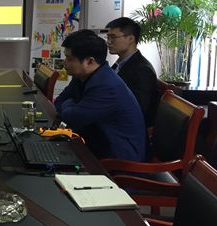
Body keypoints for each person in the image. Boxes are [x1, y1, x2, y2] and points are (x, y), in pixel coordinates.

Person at [54, 30, 147, 162]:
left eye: (70, 59)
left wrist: (70, 104)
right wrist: (71, 105)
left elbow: (72, 117)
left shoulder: (107, 86)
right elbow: (59, 102)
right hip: (96, 140)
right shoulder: (82, 76)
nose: (65, 63)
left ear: (90, 62)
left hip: (118, 157)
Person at [105, 17, 158, 126]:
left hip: (126, 128)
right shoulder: (120, 63)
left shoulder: (142, 70)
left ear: (130, 39)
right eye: (108, 37)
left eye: (113, 37)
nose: (108, 42)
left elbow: (137, 109)